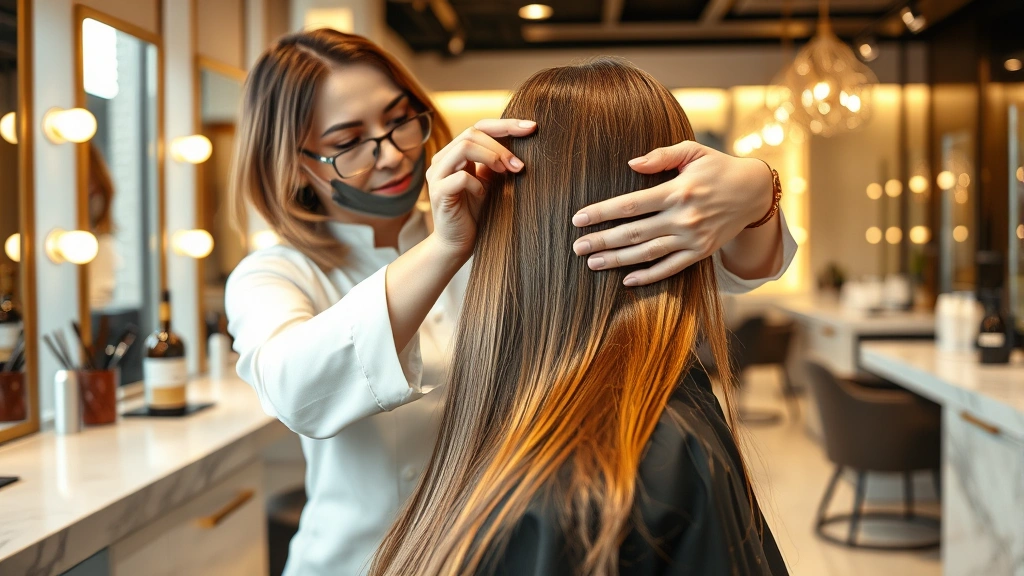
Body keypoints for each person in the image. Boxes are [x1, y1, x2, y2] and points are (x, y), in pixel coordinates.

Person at [225, 29, 796, 576]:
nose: (394, 154)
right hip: (358, 561)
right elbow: (299, 391)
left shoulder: (496, 214)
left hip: (509, 543)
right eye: (348, 144)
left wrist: (756, 190)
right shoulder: (276, 273)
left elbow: (721, 266)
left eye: (401, 120)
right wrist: (444, 249)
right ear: (296, 162)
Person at [370, 58, 787, 576]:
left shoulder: (507, 421)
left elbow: (754, 261)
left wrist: (759, 189)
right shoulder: (667, 451)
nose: (384, 156)